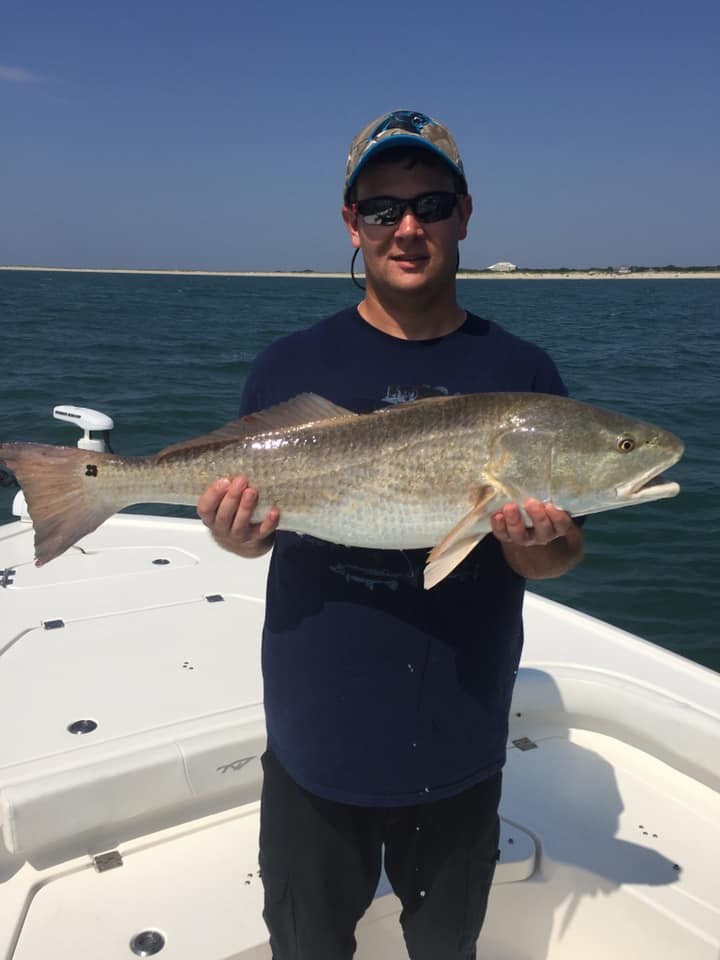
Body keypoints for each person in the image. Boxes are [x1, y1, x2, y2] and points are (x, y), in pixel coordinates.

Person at [197, 109, 584, 960]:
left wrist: (535, 540)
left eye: (431, 204)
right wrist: (237, 533)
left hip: (461, 736)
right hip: (315, 736)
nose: (408, 228)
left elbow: (554, 556)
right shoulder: (289, 365)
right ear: (352, 223)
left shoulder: (523, 377)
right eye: (383, 209)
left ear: (465, 214)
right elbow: (259, 532)